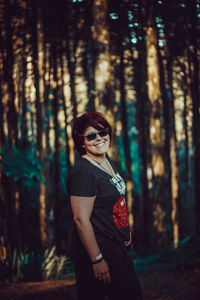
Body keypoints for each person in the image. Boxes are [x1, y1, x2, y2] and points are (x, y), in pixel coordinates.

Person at [66, 111, 143, 300]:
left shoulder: (105, 160)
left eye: (103, 132)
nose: (99, 138)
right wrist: (97, 259)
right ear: (81, 142)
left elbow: (112, 203)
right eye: (91, 136)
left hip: (113, 245)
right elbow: (80, 219)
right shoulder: (83, 172)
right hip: (98, 249)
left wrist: (123, 229)